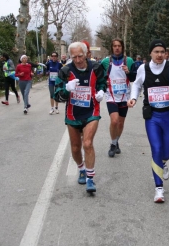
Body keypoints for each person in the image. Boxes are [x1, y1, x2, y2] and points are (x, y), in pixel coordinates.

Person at [127, 39, 169, 203]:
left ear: (166, 53)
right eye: (156, 52)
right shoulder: (143, 68)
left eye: (162, 52)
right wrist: (133, 98)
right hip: (152, 116)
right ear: (151, 53)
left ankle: (163, 162)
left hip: (168, 114)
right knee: (156, 148)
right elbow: (136, 85)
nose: (160, 54)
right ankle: (159, 189)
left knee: (166, 152)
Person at [54, 42, 106, 193]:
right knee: (76, 148)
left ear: (86, 54)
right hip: (73, 114)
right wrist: (66, 89)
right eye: (74, 57)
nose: (77, 60)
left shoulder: (96, 68)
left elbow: (103, 83)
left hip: (91, 111)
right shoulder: (65, 71)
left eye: (80, 56)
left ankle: (90, 178)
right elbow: (56, 95)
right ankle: (81, 168)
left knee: (88, 143)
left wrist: (101, 92)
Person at [101, 38, 137, 157]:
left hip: (124, 97)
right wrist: (103, 82)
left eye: (119, 46)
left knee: (120, 123)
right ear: (112, 48)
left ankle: (116, 142)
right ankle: (112, 144)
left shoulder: (129, 61)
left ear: (122, 47)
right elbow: (99, 76)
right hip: (111, 96)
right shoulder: (106, 61)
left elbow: (133, 79)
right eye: (115, 46)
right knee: (114, 120)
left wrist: (128, 72)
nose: (117, 48)